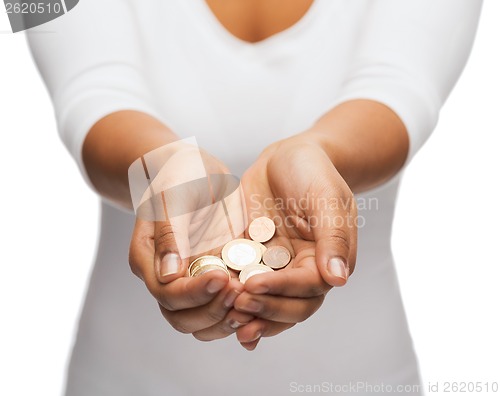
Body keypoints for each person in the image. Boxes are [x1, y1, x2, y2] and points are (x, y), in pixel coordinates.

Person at [27, 0, 482, 394]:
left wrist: (319, 153)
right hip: (121, 381)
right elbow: (86, 98)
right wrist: (165, 168)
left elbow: (403, 91)